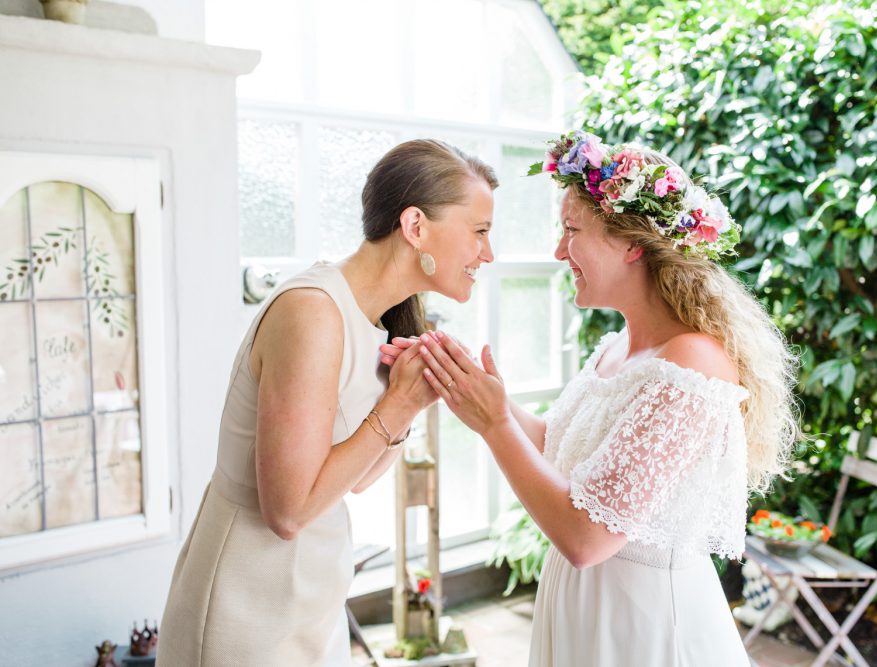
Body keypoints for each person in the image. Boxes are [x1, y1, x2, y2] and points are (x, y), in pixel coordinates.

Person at [383, 132, 801, 665]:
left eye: (572, 230)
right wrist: (466, 381)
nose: (559, 251)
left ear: (632, 244)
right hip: (586, 610)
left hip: (642, 629)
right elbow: (558, 446)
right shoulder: (619, 347)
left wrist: (493, 424)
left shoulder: (693, 362)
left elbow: (586, 538)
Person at [157, 139, 498, 666]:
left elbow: (356, 479)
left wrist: (413, 401)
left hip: (311, 595)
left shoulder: (378, 319)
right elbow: (288, 512)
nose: (488, 254)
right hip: (248, 602)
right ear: (415, 227)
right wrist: (397, 406)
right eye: (479, 232)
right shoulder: (313, 314)